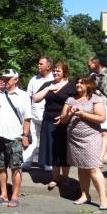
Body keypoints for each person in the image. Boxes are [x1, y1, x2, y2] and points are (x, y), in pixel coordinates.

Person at [57, 75, 107, 209]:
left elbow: (101, 118)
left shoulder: (96, 99)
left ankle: (104, 199)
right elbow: (63, 120)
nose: (78, 85)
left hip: (90, 138)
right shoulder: (70, 99)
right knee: (81, 167)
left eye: (82, 83)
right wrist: (68, 114)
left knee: (93, 168)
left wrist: (83, 114)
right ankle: (85, 195)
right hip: (74, 138)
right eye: (77, 83)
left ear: (89, 85)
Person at [0, 69, 32, 208]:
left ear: (16, 80)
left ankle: (15, 196)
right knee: (0, 166)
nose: (5, 81)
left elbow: (27, 118)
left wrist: (25, 136)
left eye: (8, 79)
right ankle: (3, 194)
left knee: (15, 167)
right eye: (4, 78)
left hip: (14, 136)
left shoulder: (24, 96)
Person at [33, 61, 77, 189]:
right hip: (49, 120)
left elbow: (76, 101)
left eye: (58, 71)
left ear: (65, 72)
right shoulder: (48, 84)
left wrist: (65, 116)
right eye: (54, 71)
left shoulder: (71, 85)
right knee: (52, 150)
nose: (55, 73)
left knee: (64, 150)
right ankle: (55, 178)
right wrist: (48, 88)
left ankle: (65, 177)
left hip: (65, 122)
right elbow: (35, 99)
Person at [22, 57, 53, 170]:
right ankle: (26, 162)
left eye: (41, 64)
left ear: (48, 66)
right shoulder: (33, 80)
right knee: (31, 139)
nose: (38, 66)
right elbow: (28, 97)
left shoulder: (54, 79)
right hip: (34, 114)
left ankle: (48, 163)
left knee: (47, 139)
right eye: (38, 64)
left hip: (48, 115)